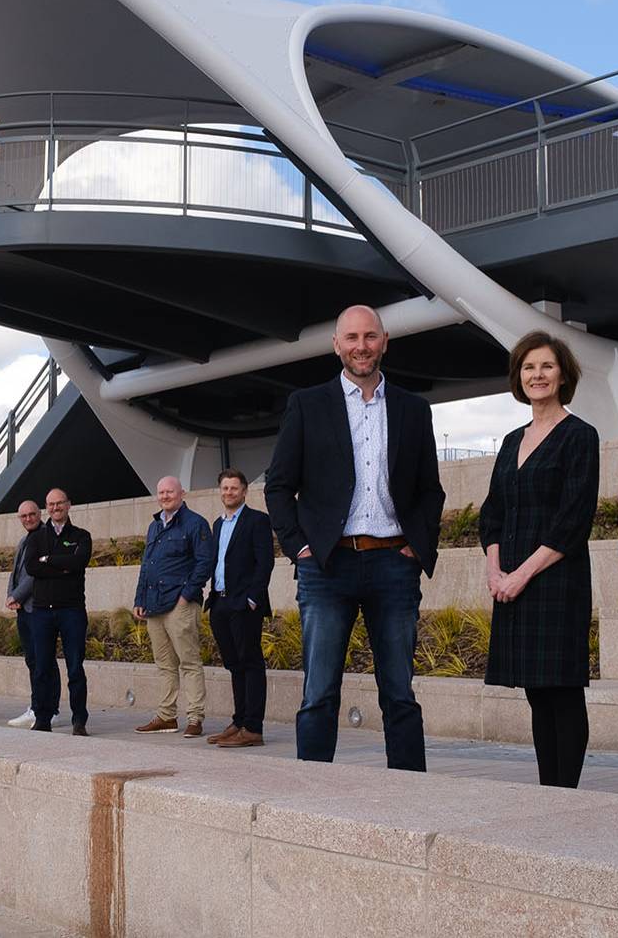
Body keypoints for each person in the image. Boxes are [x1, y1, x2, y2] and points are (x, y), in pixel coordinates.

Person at [265, 304, 445, 770]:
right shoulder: (306, 405)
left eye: (369, 337)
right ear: (336, 345)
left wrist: (416, 547)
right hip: (327, 566)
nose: (360, 346)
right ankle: (313, 802)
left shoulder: (412, 408)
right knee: (319, 692)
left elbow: (430, 490)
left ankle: (407, 798)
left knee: (400, 694)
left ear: (384, 341)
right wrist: (299, 548)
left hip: (393, 563)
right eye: (351, 338)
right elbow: (279, 486)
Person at [479, 333, 601, 788]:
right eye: (529, 368)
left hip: (555, 580)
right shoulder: (511, 442)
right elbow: (493, 514)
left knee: (562, 691)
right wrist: (496, 571)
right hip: (511, 581)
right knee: (535, 691)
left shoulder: (579, 436)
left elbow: (573, 521)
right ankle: (547, 786)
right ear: (519, 377)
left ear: (563, 374)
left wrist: (521, 575)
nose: (537, 375)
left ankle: (564, 790)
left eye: (546, 366)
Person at [131, 477, 214, 737]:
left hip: (179, 604)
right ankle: (167, 716)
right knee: (165, 664)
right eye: (161, 492)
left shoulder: (195, 524)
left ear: (182, 493)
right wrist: (139, 600)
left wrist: (185, 596)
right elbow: (147, 567)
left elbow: (205, 563)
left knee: (189, 662)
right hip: (153, 606)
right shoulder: (154, 526)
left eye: (170, 491)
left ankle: (195, 718)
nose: (165, 496)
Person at [206, 468, 274, 748]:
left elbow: (265, 563)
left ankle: (253, 727)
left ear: (245, 491)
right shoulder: (217, 524)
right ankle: (239, 721)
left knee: (251, 663)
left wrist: (252, 599)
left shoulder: (257, 521)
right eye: (225, 488)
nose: (229, 493)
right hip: (220, 602)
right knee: (234, 664)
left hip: (244, 603)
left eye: (234, 488)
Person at [24, 488, 93, 734]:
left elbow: (78, 563)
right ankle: (42, 718)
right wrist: (60, 563)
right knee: (42, 666)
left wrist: (48, 560)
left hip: (71, 610)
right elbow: (32, 567)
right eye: (51, 504)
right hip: (42, 612)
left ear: (68, 504)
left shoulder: (81, 536)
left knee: (75, 667)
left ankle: (79, 720)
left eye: (59, 503)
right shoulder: (36, 538)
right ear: (47, 507)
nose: (55, 508)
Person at [4, 500, 46, 728]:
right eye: (24, 516)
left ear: (39, 514)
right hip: (24, 610)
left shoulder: (45, 537)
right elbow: (16, 572)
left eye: (32, 514)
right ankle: (37, 705)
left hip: (38, 608)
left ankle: (46, 708)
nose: (28, 519)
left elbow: (34, 575)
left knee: (43, 661)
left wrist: (16, 596)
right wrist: (11, 596)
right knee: (32, 660)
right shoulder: (24, 540)